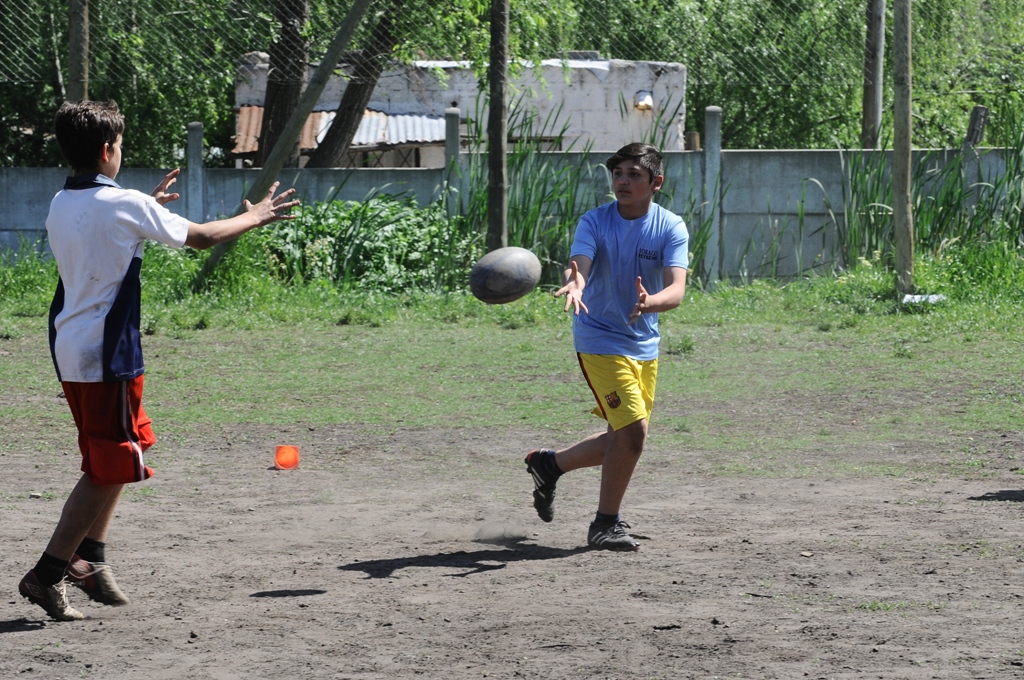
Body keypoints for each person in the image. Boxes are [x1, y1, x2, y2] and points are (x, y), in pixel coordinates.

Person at [18, 99, 299, 621]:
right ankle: (49, 571)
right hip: (105, 353)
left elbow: (106, 232)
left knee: (131, 451)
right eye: (119, 145)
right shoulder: (123, 204)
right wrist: (255, 215)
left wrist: (144, 207)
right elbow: (200, 238)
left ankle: (90, 557)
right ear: (108, 150)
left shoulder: (65, 201)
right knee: (107, 467)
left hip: (73, 346)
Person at [525, 142, 689, 551]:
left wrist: (651, 302)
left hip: (644, 343)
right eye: (618, 174)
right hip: (597, 337)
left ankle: (549, 464)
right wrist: (576, 280)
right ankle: (605, 524)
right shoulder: (594, 221)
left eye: (634, 174)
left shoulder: (671, 226)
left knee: (622, 436)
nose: (623, 181)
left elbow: (677, 289)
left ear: (656, 182)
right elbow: (580, 263)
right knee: (634, 433)